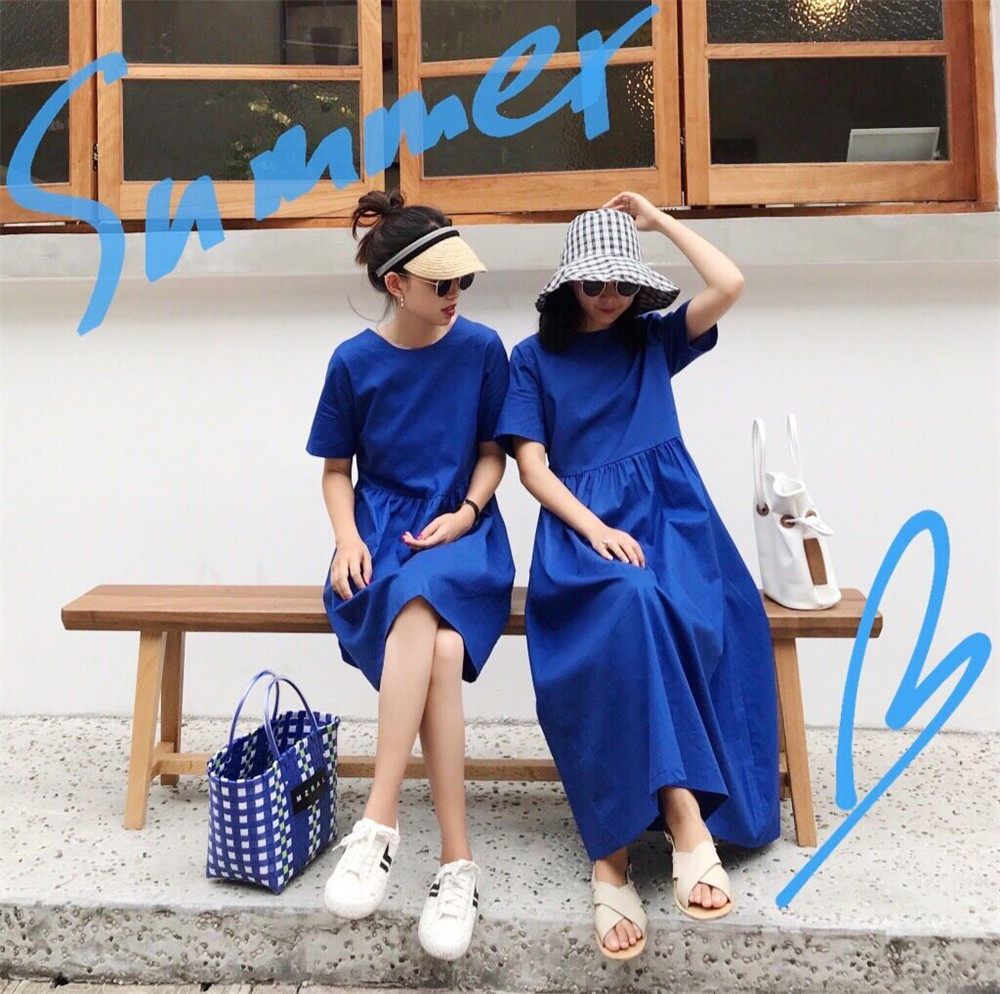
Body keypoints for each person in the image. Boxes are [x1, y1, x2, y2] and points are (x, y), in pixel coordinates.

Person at [492, 196, 780, 960]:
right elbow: (532, 469)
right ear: (567, 284)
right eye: (594, 285)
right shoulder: (532, 358)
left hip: (675, 527)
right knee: (632, 601)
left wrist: (660, 222)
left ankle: (612, 859)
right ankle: (681, 822)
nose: (610, 298)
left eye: (623, 284)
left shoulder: (652, 340)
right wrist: (594, 528)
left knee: (682, 608)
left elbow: (729, 283)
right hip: (584, 536)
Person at [305, 189, 516, 961]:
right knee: (437, 647)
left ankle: (379, 821)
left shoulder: (483, 349)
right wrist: (344, 538)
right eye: (441, 283)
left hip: (463, 531)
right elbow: (336, 470)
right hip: (382, 534)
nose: (456, 294)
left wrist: (467, 511)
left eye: (463, 281)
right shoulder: (353, 362)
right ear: (396, 284)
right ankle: (457, 864)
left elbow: (493, 453)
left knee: (422, 603)